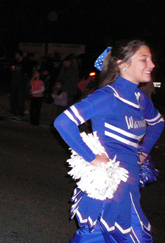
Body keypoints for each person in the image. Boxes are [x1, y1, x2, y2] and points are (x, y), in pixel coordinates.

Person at [54, 39, 164, 242]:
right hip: (112, 186)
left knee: (92, 236)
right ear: (123, 64)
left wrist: (143, 151)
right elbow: (63, 122)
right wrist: (92, 157)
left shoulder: (140, 98)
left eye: (151, 59)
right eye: (144, 59)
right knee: (135, 237)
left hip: (129, 182)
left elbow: (157, 123)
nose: (152, 64)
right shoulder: (107, 96)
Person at [9, 50, 27, 120]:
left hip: (21, 84)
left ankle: (20, 113)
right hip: (14, 83)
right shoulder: (14, 62)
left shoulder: (24, 63)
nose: (15, 56)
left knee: (20, 100)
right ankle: (14, 112)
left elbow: (26, 73)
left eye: (17, 54)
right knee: (13, 99)